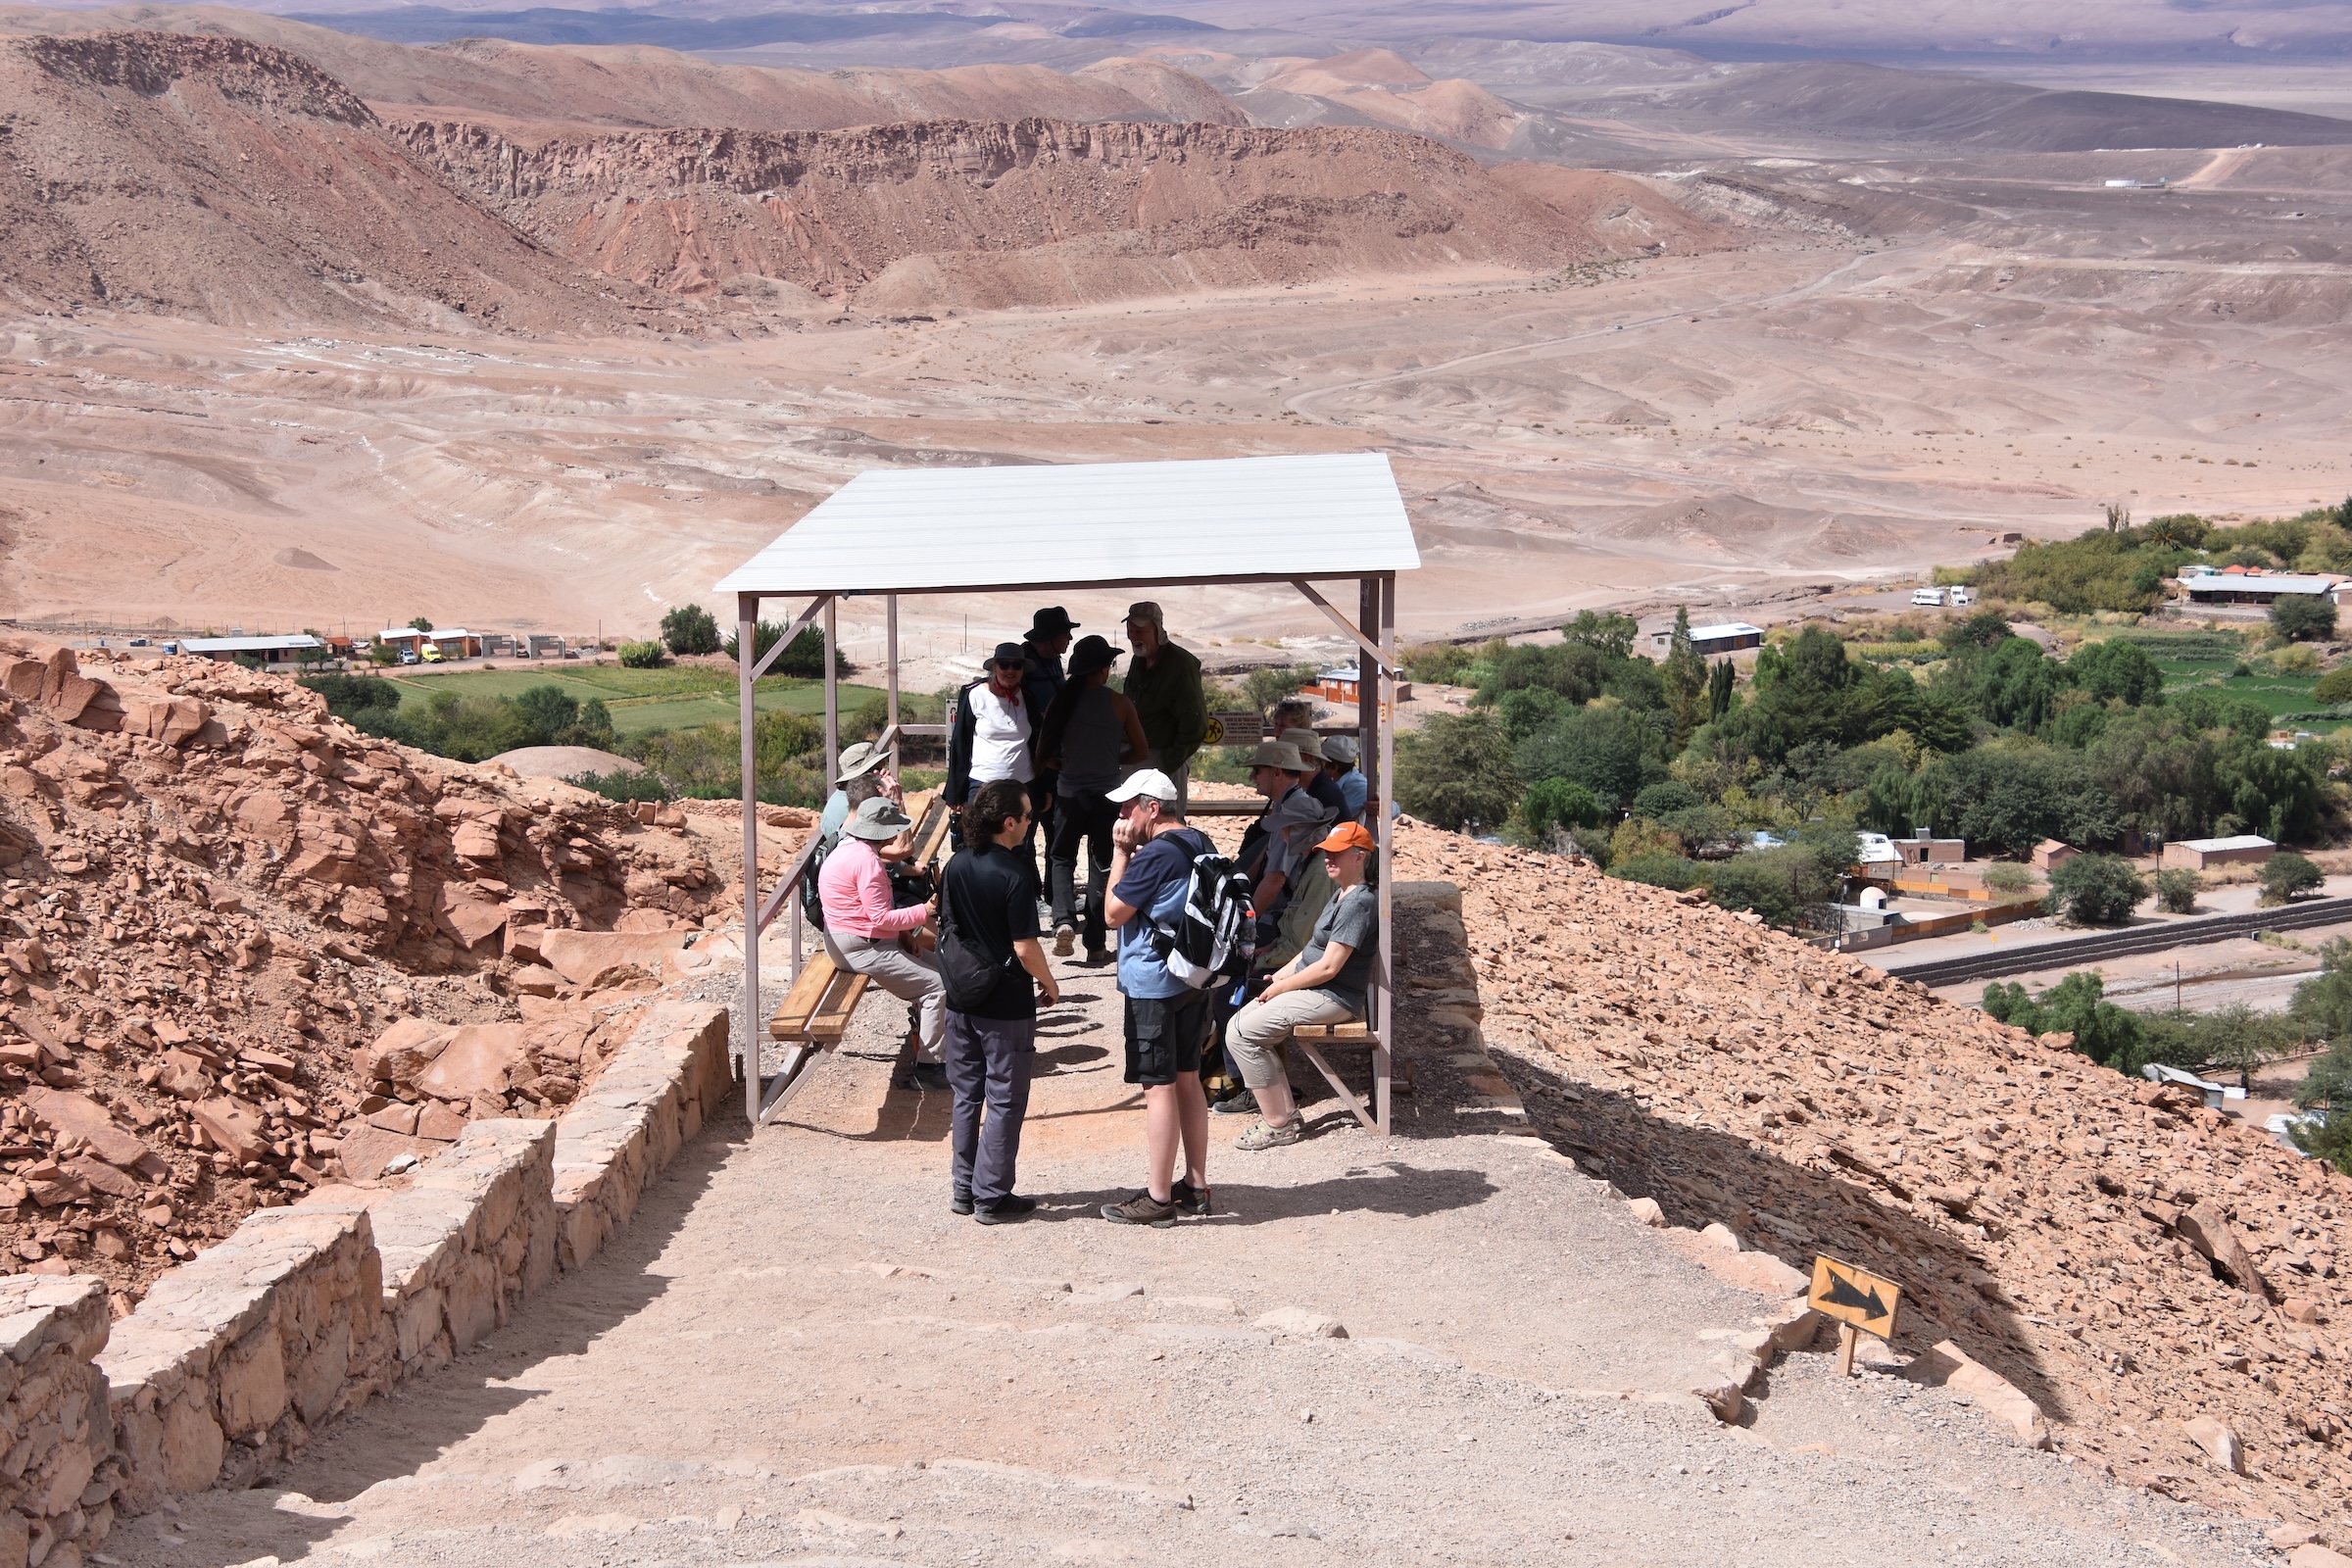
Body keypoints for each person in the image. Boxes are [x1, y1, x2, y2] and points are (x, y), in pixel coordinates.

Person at [941, 778, 1060, 1224]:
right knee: (1006, 1098)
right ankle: (991, 1195)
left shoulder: (955, 865)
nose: (1032, 822)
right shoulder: (1014, 875)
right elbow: (1025, 947)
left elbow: (949, 925)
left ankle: (963, 1188)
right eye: (1028, 816)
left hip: (961, 998)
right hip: (1005, 1003)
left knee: (967, 1095)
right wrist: (1049, 984)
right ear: (1009, 823)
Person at [1099, 767, 1213, 1227]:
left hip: (1154, 983)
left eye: (1129, 806)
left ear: (1153, 807)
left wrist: (1120, 852)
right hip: (1192, 978)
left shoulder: (1151, 856)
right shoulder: (1198, 841)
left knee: (1159, 1086)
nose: (1122, 814)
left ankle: (1158, 1198)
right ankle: (1197, 1185)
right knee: (1189, 1078)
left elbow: (1111, 913)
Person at [1222, 822, 1380, 1150]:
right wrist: (1281, 976)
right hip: (1319, 990)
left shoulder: (1357, 903)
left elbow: (1329, 965)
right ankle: (1286, 1115)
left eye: (1337, 853)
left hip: (1334, 996)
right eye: (1326, 852)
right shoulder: (1342, 893)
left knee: (1243, 1033)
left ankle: (1278, 1124)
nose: (1328, 859)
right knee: (1240, 1026)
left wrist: (1283, 987)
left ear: (1360, 857)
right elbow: (1311, 950)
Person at [818, 796, 948, 1091]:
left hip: (850, 939)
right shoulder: (868, 863)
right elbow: (879, 917)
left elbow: (875, 913)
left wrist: (904, 936)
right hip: (863, 946)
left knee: (944, 969)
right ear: (884, 833)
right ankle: (929, 1067)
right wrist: (924, 912)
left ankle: (931, 1038)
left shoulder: (848, 848)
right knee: (937, 986)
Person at [1036, 634, 1148, 964]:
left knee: (1060, 858)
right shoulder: (1120, 703)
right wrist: (1112, 756)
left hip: (1069, 794)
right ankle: (1096, 945)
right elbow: (1140, 749)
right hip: (1109, 795)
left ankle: (1064, 920)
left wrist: (1068, 765)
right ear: (1102, 668)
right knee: (1102, 863)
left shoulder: (1061, 702)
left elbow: (1044, 755)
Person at [946, 643, 1043, 847]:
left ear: (1023, 670)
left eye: (1016, 666)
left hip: (1023, 785)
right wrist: (955, 793)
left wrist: (1046, 787)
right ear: (995, 667)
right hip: (983, 783)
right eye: (1004, 665)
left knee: (1021, 846)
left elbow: (1038, 743)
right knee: (978, 844)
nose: (1010, 670)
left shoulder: (1029, 697)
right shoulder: (974, 694)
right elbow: (960, 744)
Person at [1237, 740, 1335, 935]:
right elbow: (1261, 862)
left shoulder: (1294, 813)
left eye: (1257, 770)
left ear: (1276, 772)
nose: (1252, 776)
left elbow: (1275, 879)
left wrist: (1243, 926)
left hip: (1285, 919)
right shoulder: (1289, 804)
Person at [1120, 602, 1206, 814]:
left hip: (1163, 758)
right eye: (1130, 630)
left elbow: (1196, 723)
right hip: (1134, 756)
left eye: (1140, 630)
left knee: (1165, 821)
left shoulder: (1181, 665)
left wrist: (1169, 761)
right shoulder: (1138, 661)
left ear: (1157, 630)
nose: (1133, 636)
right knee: (1134, 820)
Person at [1021, 608, 1078, 872]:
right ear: (1052, 636)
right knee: (1025, 833)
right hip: (1030, 764)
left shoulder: (1054, 659)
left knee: (1057, 831)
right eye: (1066, 633)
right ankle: (1030, 894)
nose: (1069, 638)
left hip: (1057, 760)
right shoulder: (1021, 664)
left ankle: (1055, 897)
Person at [817, 741, 891, 846]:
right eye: (878, 770)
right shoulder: (854, 808)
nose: (882, 774)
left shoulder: (847, 798)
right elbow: (887, 850)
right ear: (865, 775)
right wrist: (896, 801)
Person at [1279, 728, 1349, 818]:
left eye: (1284, 759)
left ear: (1305, 759)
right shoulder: (1319, 787)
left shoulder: (1321, 795)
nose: (1280, 766)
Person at [1321, 734, 1369, 821]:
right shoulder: (1332, 782)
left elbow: (1393, 808)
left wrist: (1378, 806)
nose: (1320, 767)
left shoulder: (1358, 786)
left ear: (1334, 767)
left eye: (1322, 763)